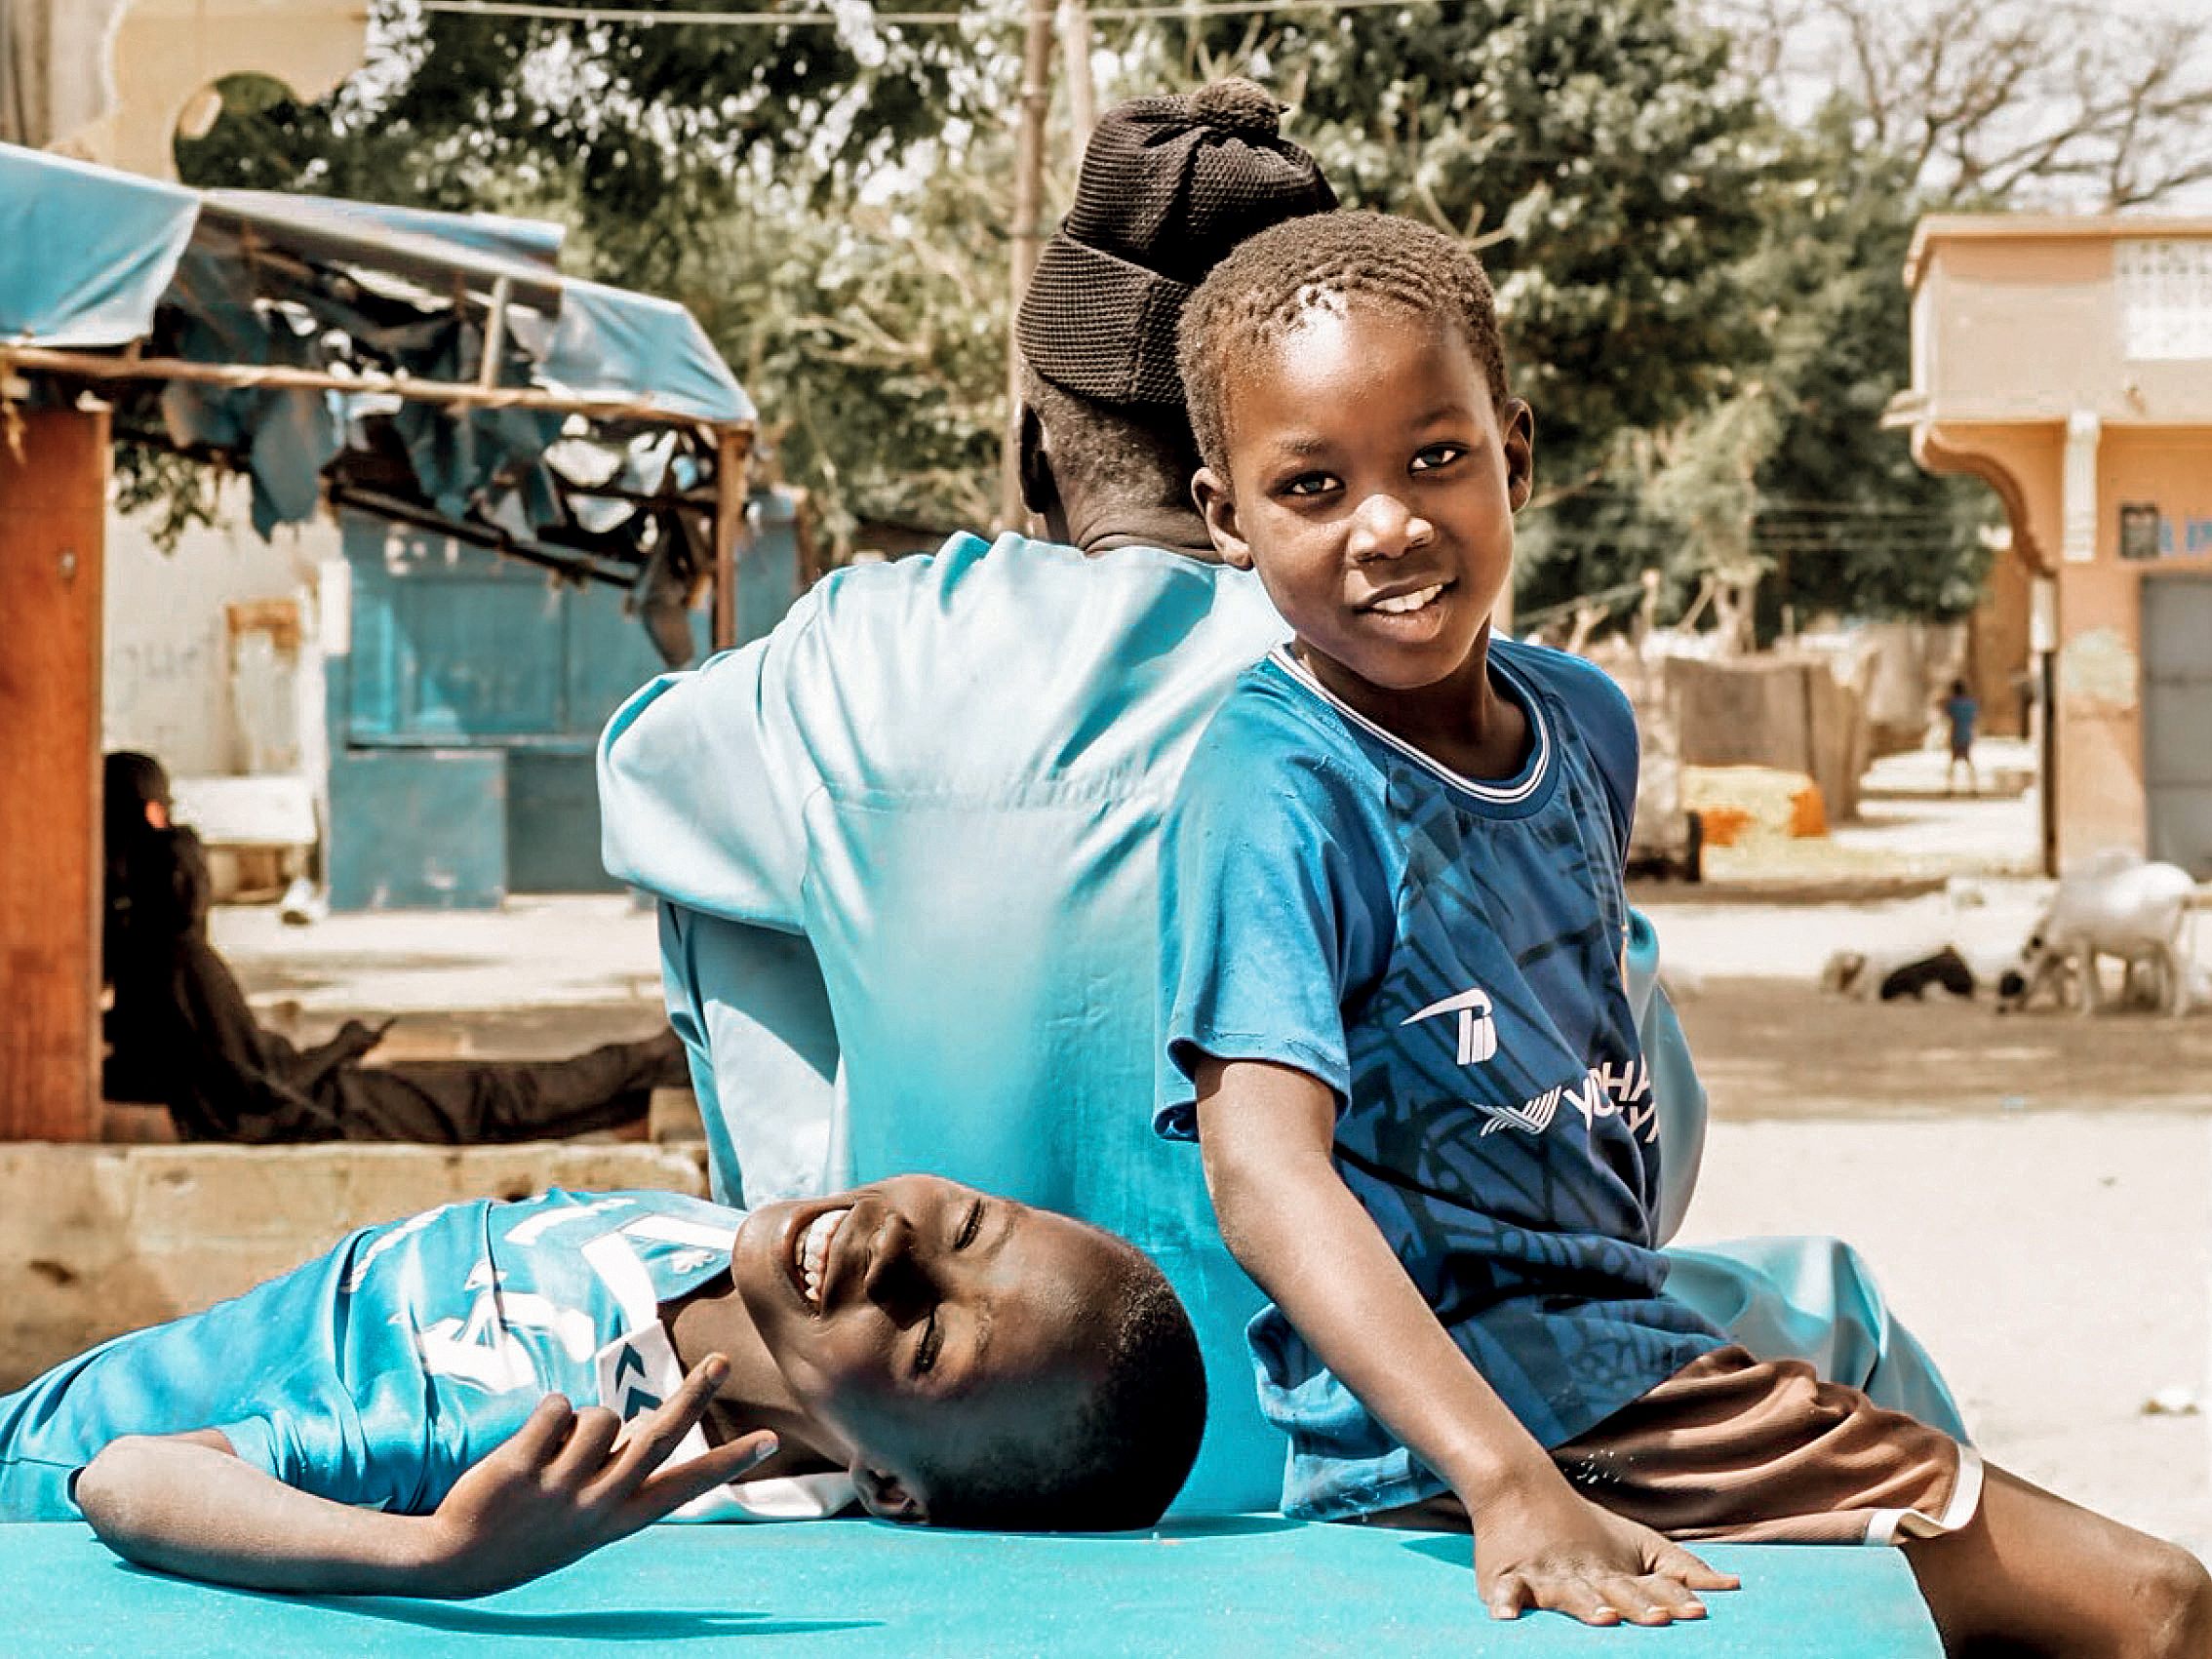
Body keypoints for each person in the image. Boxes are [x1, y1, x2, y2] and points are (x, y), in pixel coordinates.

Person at [599, 79, 1963, 1511]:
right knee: (1834, 1312)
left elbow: (638, 782)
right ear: (1226, 496)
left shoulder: (853, 654)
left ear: (1028, 460)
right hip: (1415, 1436)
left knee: (728, 886)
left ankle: (847, 1339)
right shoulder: (1465, 704)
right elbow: (1646, 1165)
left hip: (988, 1431)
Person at [1156, 207, 2210, 1651]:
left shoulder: (1579, 719)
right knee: (2152, 1607)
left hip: (1629, 1355)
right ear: (1227, 517)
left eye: (1436, 459)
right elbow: (1263, 1176)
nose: (1388, 522)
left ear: (1514, 453)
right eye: (1314, 486)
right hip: (1524, 1413)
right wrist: (1507, 1481)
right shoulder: (1273, 789)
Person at [1, 1172, 1206, 1598]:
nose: (896, 1249)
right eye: (969, 1221)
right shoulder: (753, 1264)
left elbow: (123, 1475)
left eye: (931, 1344)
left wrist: (435, 1560)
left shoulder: (549, 1424)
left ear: (887, 1485)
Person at [103, 751, 683, 1143]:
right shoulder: (182, 963)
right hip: (331, 1111)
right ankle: (656, 1060)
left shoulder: (139, 963)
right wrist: (342, 1046)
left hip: (328, 1099)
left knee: (499, 1095)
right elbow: (260, 1093)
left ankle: (649, 1073)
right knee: (497, 1097)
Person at [1942, 677, 1979, 796]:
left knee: (1952, 763)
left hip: (1956, 735)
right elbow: (1974, 719)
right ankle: (1974, 787)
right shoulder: (1970, 704)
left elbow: (1947, 718)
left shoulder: (1952, 704)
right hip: (1967, 735)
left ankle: (1950, 788)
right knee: (1969, 763)